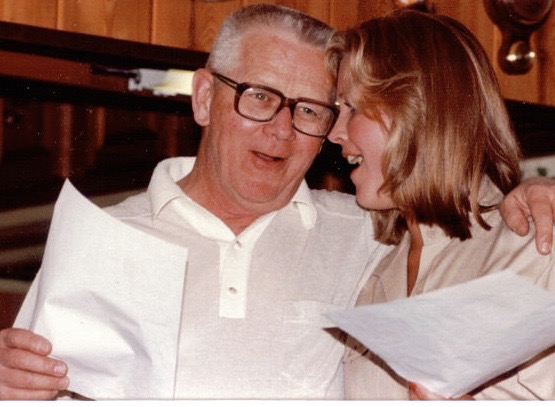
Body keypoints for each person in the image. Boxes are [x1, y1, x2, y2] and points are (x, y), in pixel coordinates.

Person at [0, 4, 554, 401]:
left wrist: (531, 192)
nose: (282, 130)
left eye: (312, 109)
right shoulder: (97, 243)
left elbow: (462, 222)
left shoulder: (366, 235)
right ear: (204, 98)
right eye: (259, 97)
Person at [325, 9, 555, 400]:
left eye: (354, 108)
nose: (334, 132)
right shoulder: (372, 273)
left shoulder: (535, 245)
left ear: (418, 110)